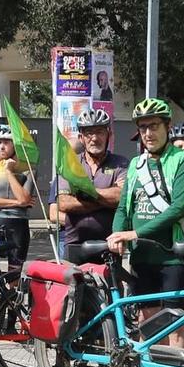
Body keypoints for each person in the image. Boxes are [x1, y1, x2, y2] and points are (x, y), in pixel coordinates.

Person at [107, 99, 184, 330]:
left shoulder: (182, 159)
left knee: (172, 324)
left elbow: (179, 207)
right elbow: (124, 207)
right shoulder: (137, 163)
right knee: (147, 322)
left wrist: (134, 233)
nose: (148, 133)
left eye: (154, 126)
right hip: (141, 256)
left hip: (171, 256)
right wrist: (117, 234)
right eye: (143, 127)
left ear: (167, 127)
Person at [57, 109, 125, 257]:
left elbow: (121, 197)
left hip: (109, 243)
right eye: (89, 133)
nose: (94, 138)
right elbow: (63, 203)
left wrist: (85, 193)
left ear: (109, 135)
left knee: (110, 281)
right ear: (81, 137)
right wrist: (105, 200)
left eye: (100, 132)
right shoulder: (70, 164)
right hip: (74, 244)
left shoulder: (121, 163)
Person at [0, 124, 37, 270]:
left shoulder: (28, 168)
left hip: (18, 226)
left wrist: (8, 171)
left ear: (16, 145)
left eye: (6, 142)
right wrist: (18, 203)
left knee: (15, 274)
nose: (1, 146)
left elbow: (25, 198)